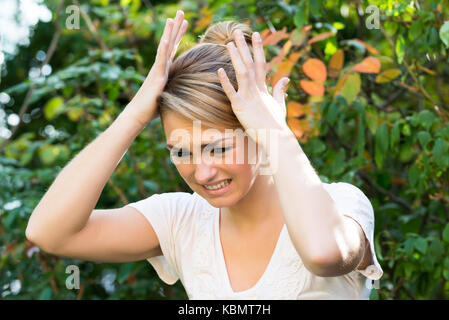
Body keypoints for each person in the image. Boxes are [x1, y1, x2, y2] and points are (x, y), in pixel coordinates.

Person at [26, 10, 383, 299]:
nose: (203, 172)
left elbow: (324, 254)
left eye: (218, 147)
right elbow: (49, 233)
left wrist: (276, 132)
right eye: (181, 151)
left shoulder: (341, 205)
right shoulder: (180, 220)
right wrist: (135, 113)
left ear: (258, 133)